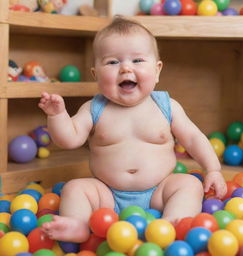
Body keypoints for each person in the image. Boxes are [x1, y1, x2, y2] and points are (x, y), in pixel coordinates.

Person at [39, 16, 227, 242]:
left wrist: (213, 169)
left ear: (157, 71)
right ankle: (79, 226)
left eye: (137, 60)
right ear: (95, 75)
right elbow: (69, 139)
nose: (126, 68)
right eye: (112, 62)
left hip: (159, 191)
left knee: (189, 184)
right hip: (107, 195)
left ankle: (172, 224)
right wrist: (57, 115)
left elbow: (194, 138)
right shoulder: (93, 108)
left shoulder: (167, 106)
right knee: (75, 188)